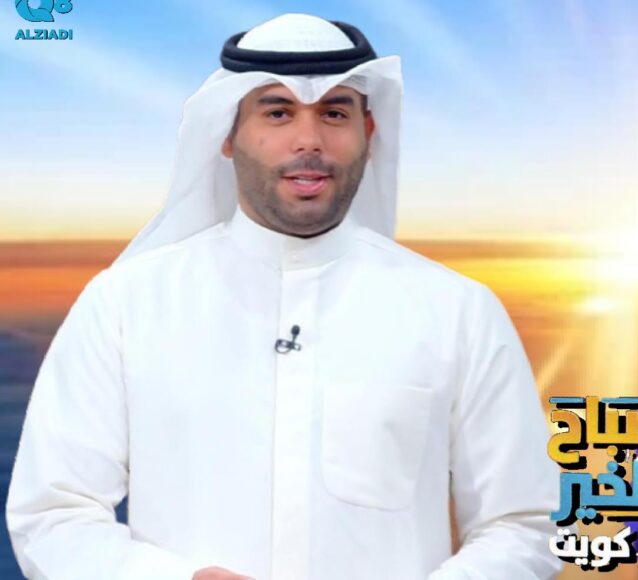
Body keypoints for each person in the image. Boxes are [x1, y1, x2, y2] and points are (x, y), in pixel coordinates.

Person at [6, 14, 561, 580]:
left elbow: (526, 525)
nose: (309, 140)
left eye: (335, 113)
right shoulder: (125, 305)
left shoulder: (458, 312)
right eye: (277, 112)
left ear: (369, 133)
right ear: (226, 134)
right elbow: (53, 515)